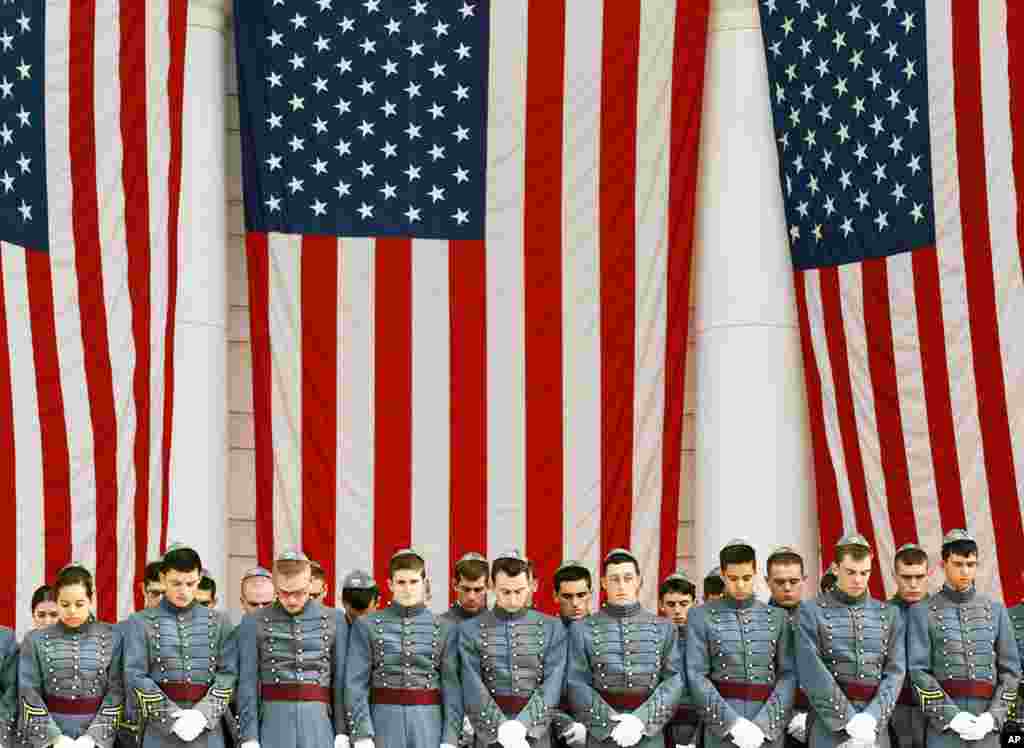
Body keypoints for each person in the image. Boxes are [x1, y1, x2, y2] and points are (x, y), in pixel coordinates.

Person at [907, 529, 1020, 748]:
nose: (965, 571)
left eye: (971, 564)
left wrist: (993, 718)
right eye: (958, 564)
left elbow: (1011, 672)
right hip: (944, 728)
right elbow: (918, 672)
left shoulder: (996, 610)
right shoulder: (921, 612)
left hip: (987, 728)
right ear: (943, 565)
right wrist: (951, 717)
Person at [344, 548, 462, 748]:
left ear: (424, 583)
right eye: (401, 582)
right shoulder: (366, 625)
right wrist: (362, 734)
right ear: (390, 584)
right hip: (382, 722)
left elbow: (452, 689)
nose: (408, 589)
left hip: (428, 724)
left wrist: (450, 738)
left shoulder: (445, 628)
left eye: (414, 582)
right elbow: (355, 684)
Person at [796, 533, 906, 748]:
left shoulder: (890, 614)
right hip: (829, 727)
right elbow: (811, 671)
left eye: (865, 573)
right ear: (835, 568)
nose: (858, 580)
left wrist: (872, 717)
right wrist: (848, 719)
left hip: (874, 728)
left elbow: (895, 672)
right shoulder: (810, 611)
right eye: (850, 572)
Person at [566, 548, 683, 747]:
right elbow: (576, 683)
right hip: (602, 736)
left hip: (649, 734)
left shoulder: (665, 628)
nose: (621, 585)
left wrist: (640, 721)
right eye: (614, 579)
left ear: (638, 581)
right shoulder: (582, 629)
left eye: (628, 578)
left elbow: (673, 681)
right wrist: (609, 725)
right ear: (604, 583)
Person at [123, 544, 237, 748]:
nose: (183, 591)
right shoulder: (140, 622)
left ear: (199, 579)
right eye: (176, 583)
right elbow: (135, 675)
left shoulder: (220, 621)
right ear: (163, 578)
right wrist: (170, 718)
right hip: (160, 731)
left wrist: (203, 715)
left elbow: (228, 674)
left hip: (207, 730)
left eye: (190, 583)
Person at [235, 549, 348, 748]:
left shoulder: (335, 619)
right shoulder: (253, 621)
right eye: (284, 593)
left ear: (310, 583)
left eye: (300, 592)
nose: (292, 600)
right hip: (273, 722)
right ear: (275, 586)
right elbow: (248, 683)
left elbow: (340, 680)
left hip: (320, 721)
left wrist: (342, 731)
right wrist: (249, 737)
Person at [687, 540, 795, 748]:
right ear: (723, 575)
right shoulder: (700, 616)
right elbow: (696, 675)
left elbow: (789, 674)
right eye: (733, 578)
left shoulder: (778, 617)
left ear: (755, 573)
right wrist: (732, 724)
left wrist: (765, 724)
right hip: (722, 727)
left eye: (746, 578)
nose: (740, 585)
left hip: (767, 726)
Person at [459, 550, 568, 747]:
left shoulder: (553, 627)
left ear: (531, 586)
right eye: (505, 592)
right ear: (491, 586)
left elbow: (553, 684)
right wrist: (499, 728)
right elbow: (471, 684)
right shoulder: (470, 630)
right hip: (489, 734)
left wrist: (523, 725)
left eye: (519, 591)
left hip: (535, 733)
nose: (512, 599)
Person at [19, 564, 124, 748]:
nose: (72, 611)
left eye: (79, 604)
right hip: (50, 737)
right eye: (65, 604)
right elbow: (28, 693)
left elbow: (117, 692)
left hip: (98, 738)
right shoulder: (35, 640)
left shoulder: (112, 637)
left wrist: (93, 738)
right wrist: (54, 738)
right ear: (56, 601)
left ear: (91, 598)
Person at [764, 547, 809, 747]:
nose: (787, 588)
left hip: (815, 721)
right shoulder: (754, 623)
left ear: (804, 580)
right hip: (768, 722)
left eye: (794, 581)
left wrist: (813, 718)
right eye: (780, 582)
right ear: (767, 581)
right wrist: (789, 717)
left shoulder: (820, 620)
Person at [888, 543, 930, 748]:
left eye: (919, 577)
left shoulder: (943, 612)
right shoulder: (880, 614)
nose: (913, 584)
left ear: (928, 575)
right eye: (906, 577)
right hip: (893, 710)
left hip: (936, 711)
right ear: (895, 576)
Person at [550, 561, 592, 747]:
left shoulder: (608, 634)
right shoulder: (544, 636)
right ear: (555, 596)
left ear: (591, 594)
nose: (575, 603)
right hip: (553, 731)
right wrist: (564, 724)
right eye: (567, 596)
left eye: (581, 595)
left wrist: (592, 728)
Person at [659, 573, 699, 748]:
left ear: (694, 603)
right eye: (671, 604)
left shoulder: (706, 641)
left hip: (700, 721)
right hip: (661, 722)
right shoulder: (650, 640)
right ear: (661, 605)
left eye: (684, 604)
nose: (677, 610)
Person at [441, 553, 489, 624]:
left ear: (488, 586)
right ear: (455, 585)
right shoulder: (440, 625)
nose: (471, 597)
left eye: (478, 590)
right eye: (466, 589)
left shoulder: (500, 624)